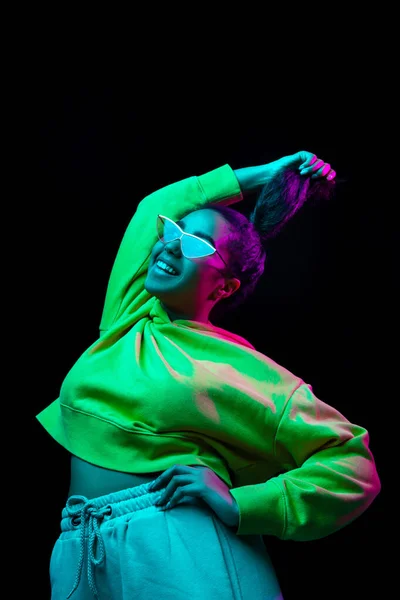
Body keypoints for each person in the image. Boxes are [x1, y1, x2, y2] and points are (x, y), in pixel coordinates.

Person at [36, 150, 381, 600]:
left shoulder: (243, 368)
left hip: (177, 539)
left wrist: (243, 504)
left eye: (197, 244)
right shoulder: (129, 318)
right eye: (175, 230)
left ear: (225, 286)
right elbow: (154, 207)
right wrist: (268, 173)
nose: (173, 243)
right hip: (80, 542)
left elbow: (353, 466)